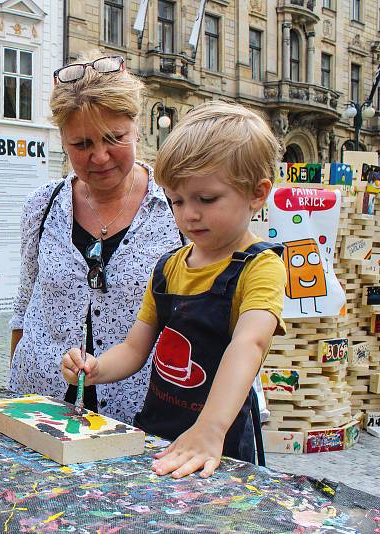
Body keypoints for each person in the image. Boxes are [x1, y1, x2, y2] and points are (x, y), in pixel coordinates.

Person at [61, 101, 286, 478]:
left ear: (257, 194)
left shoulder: (260, 266)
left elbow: (249, 345)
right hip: (158, 433)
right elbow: (135, 348)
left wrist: (210, 429)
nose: (188, 214)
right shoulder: (169, 267)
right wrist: (96, 368)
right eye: (177, 201)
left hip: (220, 446)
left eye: (206, 199)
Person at [9, 52, 180, 422]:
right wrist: (13, 399)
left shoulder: (175, 207)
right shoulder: (43, 204)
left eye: (113, 138)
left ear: (137, 127)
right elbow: (24, 309)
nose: (99, 156)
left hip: (139, 411)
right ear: (63, 141)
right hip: (41, 402)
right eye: (82, 145)